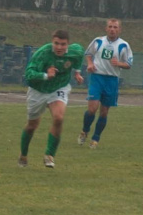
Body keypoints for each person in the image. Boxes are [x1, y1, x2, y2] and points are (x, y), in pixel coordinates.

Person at [19, 29, 84, 169]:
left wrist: (77, 73)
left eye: (63, 44)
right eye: (56, 43)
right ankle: (23, 155)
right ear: (52, 42)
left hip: (58, 88)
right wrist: (45, 75)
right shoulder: (42, 53)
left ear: (68, 44)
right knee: (32, 126)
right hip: (38, 90)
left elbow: (80, 54)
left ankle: (49, 155)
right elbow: (29, 74)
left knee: (59, 117)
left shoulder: (75, 51)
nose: (59, 47)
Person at [78, 18, 133, 149]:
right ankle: (85, 131)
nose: (112, 29)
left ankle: (95, 139)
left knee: (103, 112)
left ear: (119, 29)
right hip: (97, 78)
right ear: (106, 28)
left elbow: (129, 64)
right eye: (110, 26)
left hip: (112, 80)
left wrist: (119, 63)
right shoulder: (98, 41)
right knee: (92, 109)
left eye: (115, 27)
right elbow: (88, 54)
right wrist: (90, 64)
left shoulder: (124, 45)